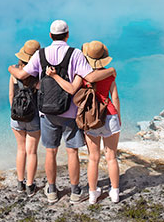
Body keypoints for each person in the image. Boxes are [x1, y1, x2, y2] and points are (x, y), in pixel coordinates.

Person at [8, 20, 116, 203]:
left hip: (46, 113)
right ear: (67, 35)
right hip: (70, 112)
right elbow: (90, 77)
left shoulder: (40, 54)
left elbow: (21, 75)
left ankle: (51, 190)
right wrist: (112, 71)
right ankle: (75, 192)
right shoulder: (75, 54)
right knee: (72, 151)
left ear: (50, 36)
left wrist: (11, 68)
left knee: (51, 151)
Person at [46, 41, 121, 204]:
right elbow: (114, 97)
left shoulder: (82, 75)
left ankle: (93, 194)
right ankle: (115, 192)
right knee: (111, 157)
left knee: (93, 158)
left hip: (90, 118)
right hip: (110, 115)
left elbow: (72, 90)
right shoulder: (110, 74)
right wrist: (118, 117)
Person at [9, 40, 41, 197]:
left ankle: (19, 183)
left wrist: (16, 111)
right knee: (32, 152)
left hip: (16, 116)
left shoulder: (14, 72)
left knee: (21, 150)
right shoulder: (37, 74)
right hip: (33, 117)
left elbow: (11, 95)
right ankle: (30, 185)